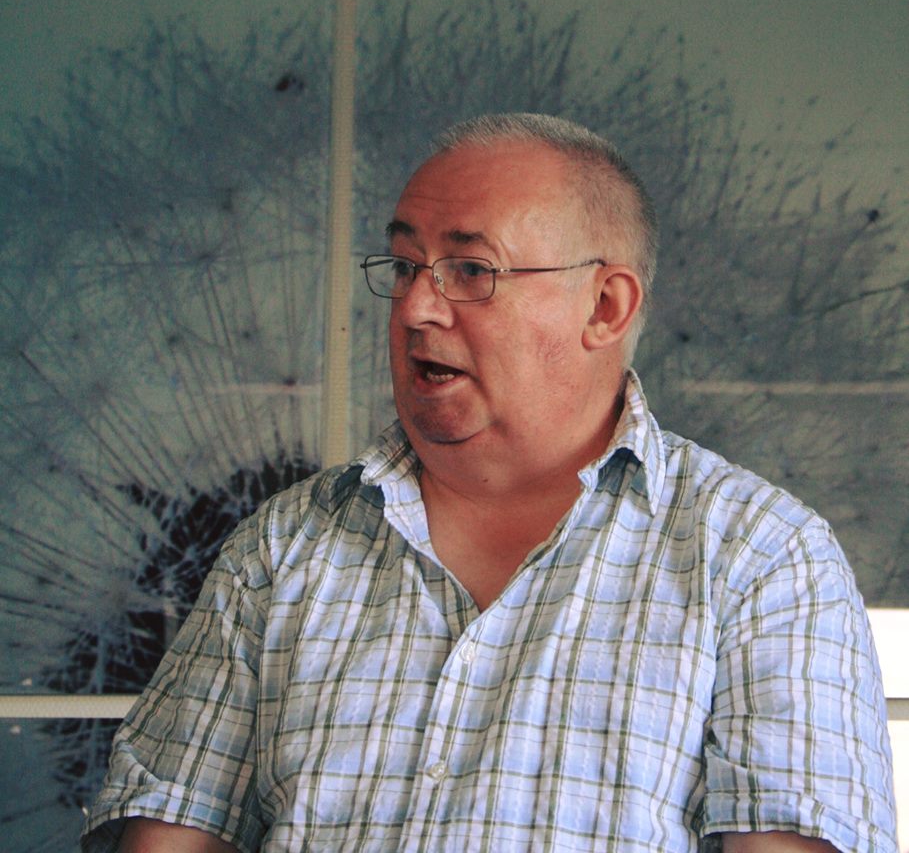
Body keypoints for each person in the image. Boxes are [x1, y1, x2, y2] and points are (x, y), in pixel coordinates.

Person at [82, 113, 897, 852]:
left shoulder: (761, 557)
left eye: (470, 270)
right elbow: (169, 835)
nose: (414, 309)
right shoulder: (285, 544)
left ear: (606, 306)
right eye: (403, 267)